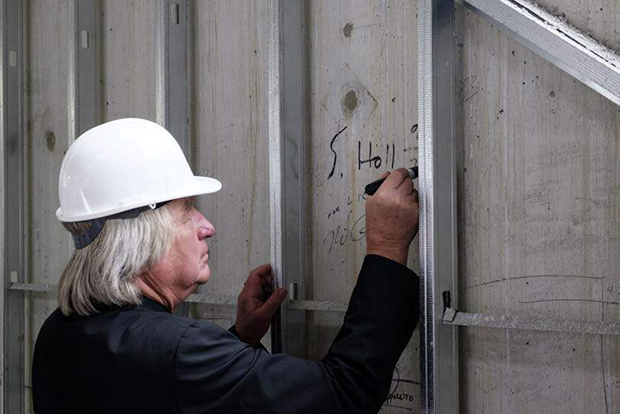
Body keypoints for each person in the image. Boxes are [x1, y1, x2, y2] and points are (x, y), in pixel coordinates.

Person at [32, 118, 420, 414]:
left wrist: (239, 339)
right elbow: (344, 393)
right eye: (186, 211)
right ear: (142, 234)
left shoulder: (58, 332)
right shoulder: (179, 352)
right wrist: (386, 248)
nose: (207, 227)